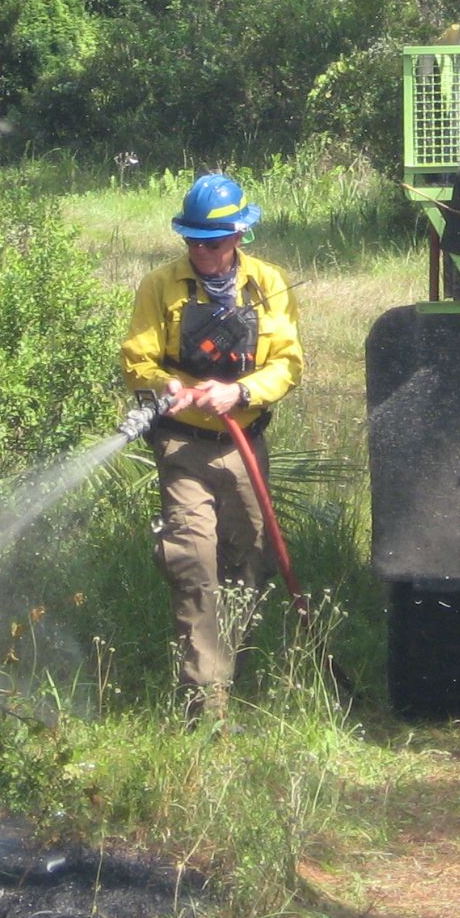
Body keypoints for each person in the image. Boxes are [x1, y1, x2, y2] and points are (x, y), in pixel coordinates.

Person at [121, 174, 304, 725]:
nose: (202, 253)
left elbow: (289, 364)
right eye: (193, 242)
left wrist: (241, 391)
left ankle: (229, 665)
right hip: (182, 446)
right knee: (193, 560)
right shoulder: (160, 286)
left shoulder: (270, 283)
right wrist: (166, 386)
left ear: (239, 236)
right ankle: (208, 705)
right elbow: (138, 357)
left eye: (213, 242)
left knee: (249, 559)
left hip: (245, 441)